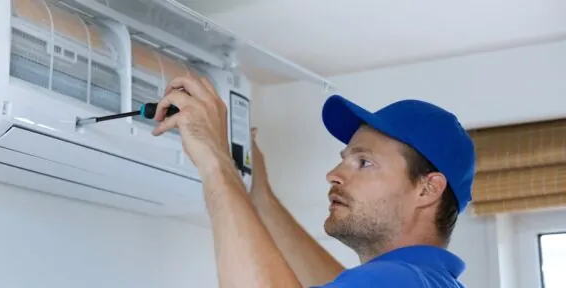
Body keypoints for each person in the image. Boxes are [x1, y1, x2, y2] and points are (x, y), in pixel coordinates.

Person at [152, 75, 475, 288]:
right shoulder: (428, 280)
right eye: (344, 158)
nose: (333, 174)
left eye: (364, 162)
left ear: (427, 188)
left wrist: (215, 160)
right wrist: (260, 197)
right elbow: (339, 280)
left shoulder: (402, 281)